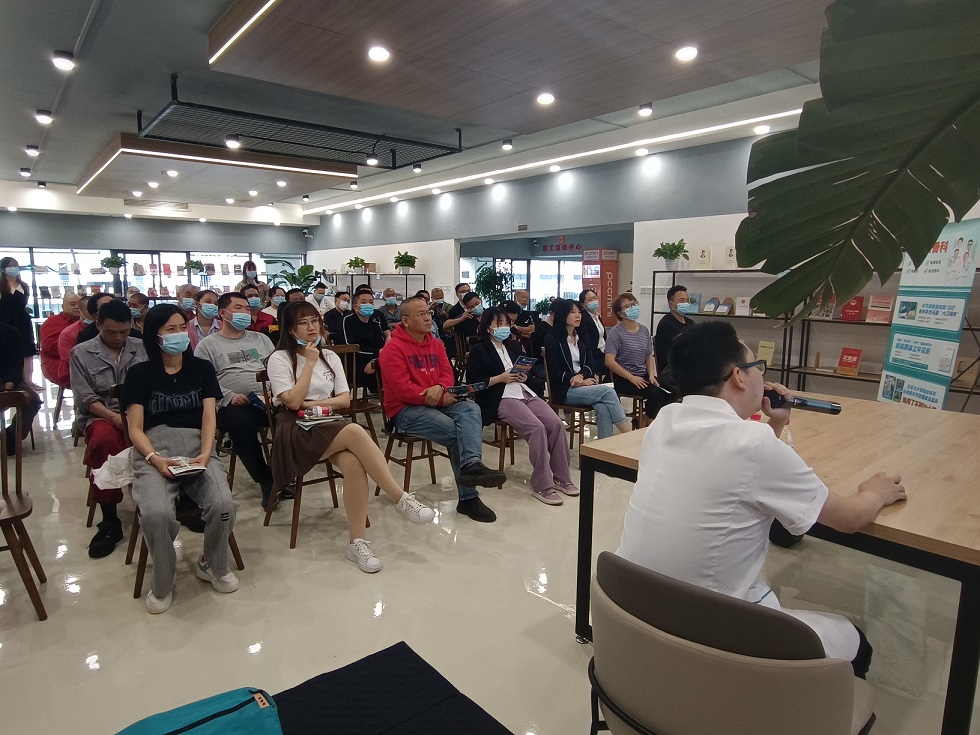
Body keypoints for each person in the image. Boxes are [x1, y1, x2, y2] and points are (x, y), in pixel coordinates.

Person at [618, 322, 907, 677]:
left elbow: (739, 469)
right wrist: (874, 493)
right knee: (856, 644)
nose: (763, 377)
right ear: (739, 376)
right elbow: (848, 519)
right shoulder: (754, 445)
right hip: (713, 631)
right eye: (758, 367)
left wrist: (775, 424)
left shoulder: (665, 421)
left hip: (637, 613)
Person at [267, 302, 434, 572]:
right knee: (355, 430)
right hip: (295, 429)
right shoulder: (280, 359)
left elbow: (344, 400)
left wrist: (313, 404)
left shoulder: (330, 356)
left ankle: (357, 542)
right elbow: (292, 403)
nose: (312, 327)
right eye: (303, 323)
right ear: (290, 329)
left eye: (315, 321)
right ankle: (400, 498)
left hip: (327, 422)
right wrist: (309, 364)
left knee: (354, 464)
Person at [121, 304, 238, 614]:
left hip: (197, 445)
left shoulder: (201, 368)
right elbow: (135, 428)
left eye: (181, 327)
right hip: (155, 448)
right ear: (155, 336)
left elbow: (209, 415)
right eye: (170, 329)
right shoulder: (139, 374)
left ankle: (212, 562)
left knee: (224, 505)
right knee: (156, 514)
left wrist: (206, 451)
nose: (178, 334)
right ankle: (163, 578)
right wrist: (153, 457)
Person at [378, 296, 505, 523]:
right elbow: (402, 389)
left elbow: (448, 373)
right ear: (405, 320)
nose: (428, 318)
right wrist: (439, 398)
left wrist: (440, 388)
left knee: (470, 409)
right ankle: (469, 497)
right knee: (457, 433)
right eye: (421, 314)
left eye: (428, 313)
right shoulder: (392, 348)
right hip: (405, 411)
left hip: (438, 401)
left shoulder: (436, 344)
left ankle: (471, 465)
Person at [466, 308, 577, 506]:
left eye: (506, 323)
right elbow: (472, 384)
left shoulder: (514, 346)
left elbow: (531, 376)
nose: (504, 327)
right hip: (500, 397)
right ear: (488, 327)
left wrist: (524, 377)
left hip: (524, 392)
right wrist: (500, 378)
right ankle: (543, 485)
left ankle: (562, 477)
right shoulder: (478, 350)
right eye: (499, 324)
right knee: (536, 428)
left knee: (556, 424)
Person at [70, 298, 147, 558]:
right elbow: (85, 398)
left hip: (140, 411)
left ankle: (179, 501)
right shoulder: (81, 353)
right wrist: (114, 417)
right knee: (105, 442)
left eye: (124, 332)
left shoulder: (142, 348)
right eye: (111, 332)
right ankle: (110, 519)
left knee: (172, 433)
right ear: (98, 324)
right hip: (102, 414)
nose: (118, 337)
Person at [195, 292, 278, 507]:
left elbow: (278, 369)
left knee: (292, 417)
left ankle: (283, 473)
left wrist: (276, 391)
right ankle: (265, 478)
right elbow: (203, 382)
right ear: (223, 313)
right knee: (239, 422)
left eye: (247, 308)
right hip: (232, 405)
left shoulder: (261, 339)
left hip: (268, 399)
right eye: (238, 308)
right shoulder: (207, 345)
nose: (245, 312)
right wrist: (229, 396)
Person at [543, 299, 631, 439]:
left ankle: (603, 447)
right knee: (608, 392)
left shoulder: (583, 337)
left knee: (603, 407)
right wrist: (575, 379)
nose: (578, 315)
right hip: (565, 389)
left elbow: (591, 363)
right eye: (573, 312)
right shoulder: (552, 340)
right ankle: (629, 435)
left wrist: (582, 377)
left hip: (584, 384)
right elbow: (554, 372)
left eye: (579, 312)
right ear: (562, 314)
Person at [604, 292, 673, 423]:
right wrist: (631, 377)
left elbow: (649, 355)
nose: (633, 308)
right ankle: (646, 423)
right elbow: (609, 361)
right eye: (628, 306)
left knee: (673, 392)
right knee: (656, 394)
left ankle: (644, 419)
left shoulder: (644, 330)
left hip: (643, 375)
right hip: (624, 378)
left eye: (634, 304)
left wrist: (651, 375)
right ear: (620, 313)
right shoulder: (615, 333)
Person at [1, 322, 42, 456]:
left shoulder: (11, 332)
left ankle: (11, 435)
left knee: (32, 400)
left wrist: (8, 389)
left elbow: (16, 364)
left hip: (9, 379)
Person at [0, 256, 39, 389]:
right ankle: (10, 379)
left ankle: (28, 381)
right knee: (10, 349)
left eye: (15, 265)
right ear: (3, 269)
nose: (13, 268)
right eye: (10, 266)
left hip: (23, 319)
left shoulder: (24, 285)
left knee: (27, 349)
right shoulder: (1, 286)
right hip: (5, 319)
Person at [337, 289, 387, 393]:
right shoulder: (347, 321)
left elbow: (381, 344)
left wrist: (375, 360)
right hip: (354, 363)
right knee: (385, 372)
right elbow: (350, 347)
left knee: (395, 366)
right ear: (355, 306)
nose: (368, 305)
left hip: (375, 360)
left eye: (371, 302)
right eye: (364, 302)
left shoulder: (374, 320)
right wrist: (376, 356)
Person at [39, 293, 80, 388]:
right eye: (72, 304)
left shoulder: (87, 321)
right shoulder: (53, 322)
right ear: (62, 306)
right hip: (58, 363)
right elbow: (52, 348)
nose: (77, 307)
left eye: (79, 304)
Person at [654, 284, 696, 376]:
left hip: (686, 367)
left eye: (687, 300)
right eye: (682, 300)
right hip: (670, 370)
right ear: (671, 303)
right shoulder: (666, 323)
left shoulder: (690, 322)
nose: (686, 303)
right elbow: (684, 347)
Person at [578, 289, 607, 377]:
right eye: (590, 300)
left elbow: (603, 337)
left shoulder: (597, 316)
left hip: (604, 351)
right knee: (613, 365)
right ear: (583, 304)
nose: (593, 301)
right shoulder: (583, 318)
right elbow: (588, 343)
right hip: (595, 356)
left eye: (595, 298)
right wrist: (604, 354)